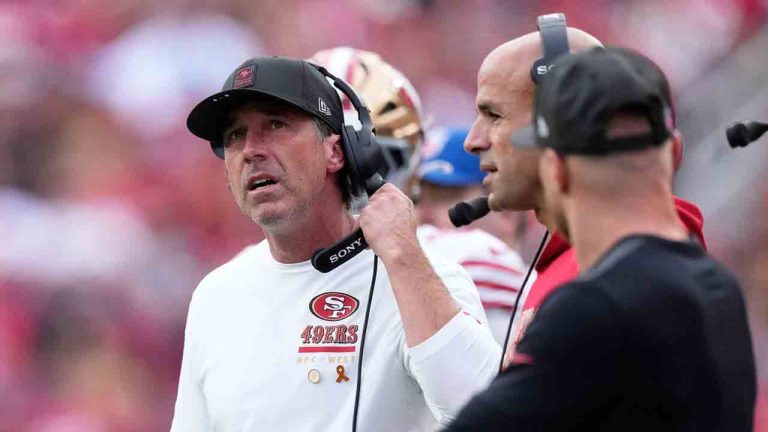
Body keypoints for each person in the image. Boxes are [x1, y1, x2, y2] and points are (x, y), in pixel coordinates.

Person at [170, 55, 500, 431]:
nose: (250, 150)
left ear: (338, 151)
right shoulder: (215, 296)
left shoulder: (423, 275)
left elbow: (485, 412)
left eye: (275, 125)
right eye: (234, 136)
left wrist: (404, 258)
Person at [447, 46, 756, 431]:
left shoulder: (595, 306)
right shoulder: (721, 288)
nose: (475, 140)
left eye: (493, 115)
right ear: (675, 152)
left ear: (555, 169)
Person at [462, 23, 708, 366]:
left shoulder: (621, 279)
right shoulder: (584, 264)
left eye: (493, 115)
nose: (472, 141)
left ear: (560, 124)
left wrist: (407, 265)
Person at [416, 126, 527, 344]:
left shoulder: (474, 255)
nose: (422, 214)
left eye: (444, 197)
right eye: (416, 198)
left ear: (507, 210)